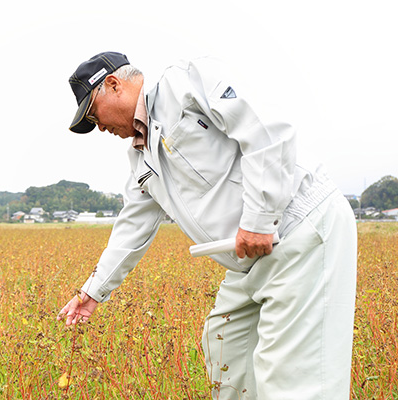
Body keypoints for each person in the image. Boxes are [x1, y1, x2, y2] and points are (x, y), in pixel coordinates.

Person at [57, 51, 357, 400]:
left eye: (94, 115)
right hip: (248, 258)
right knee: (225, 347)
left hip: (298, 229)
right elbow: (131, 227)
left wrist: (260, 218)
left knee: (293, 378)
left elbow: (267, 129)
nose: (100, 128)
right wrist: (93, 291)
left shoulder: (184, 83)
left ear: (113, 85)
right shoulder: (140, 157)